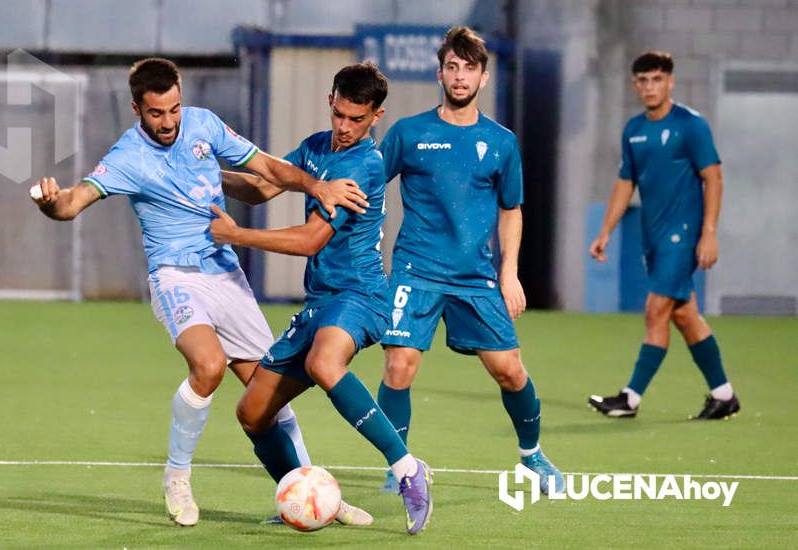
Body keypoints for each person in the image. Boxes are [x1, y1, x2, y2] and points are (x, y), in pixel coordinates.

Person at [29, 57, 373, 527]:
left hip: (225, 272)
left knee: (267, 396)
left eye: (174, 109)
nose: (169, 122)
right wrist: (52, 204)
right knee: (208, 366)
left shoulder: (203, 125)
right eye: (156, 113)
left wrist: (317, 185)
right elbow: (72, 204)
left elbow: (267, 168)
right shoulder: (127, 158)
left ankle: (310, 493)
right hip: (175, 275)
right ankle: (177, 477)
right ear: (136, 108)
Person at [210, 62, 434, 535]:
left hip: (361, 295)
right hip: (320, 301)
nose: (345, 127)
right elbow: (261, 186)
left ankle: (407, 469)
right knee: (251, 413)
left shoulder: (364, 166)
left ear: (377, 115)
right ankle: (305, 496)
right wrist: (205, 171)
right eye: (341, 115)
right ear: (331, 101)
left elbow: (312, 239)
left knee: (324, 364)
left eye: (358, 119)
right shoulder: (315, 147)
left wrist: (236, 236)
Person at [374, 26, 563, 495]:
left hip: (475, 277)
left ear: (483, 77)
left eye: (469, 69)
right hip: (416, 270)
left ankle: (532, 456)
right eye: (452, 67)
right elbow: (370, 184)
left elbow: (511, 209)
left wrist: (509, 272)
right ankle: (399, 467)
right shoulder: (409, 133)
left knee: (510, 369)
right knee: (399, 366)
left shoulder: (501, 142)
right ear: (440, 73)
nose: (460, 77)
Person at [587, 51, 739, 420]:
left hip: (683, 235)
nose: (649, 87)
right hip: (652, 236)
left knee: (656, 310)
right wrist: (605, 229)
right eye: (643, 80)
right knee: (684, 315)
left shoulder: (691, 125)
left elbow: (714, 177)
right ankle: (724, 395)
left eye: (657, 79)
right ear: (635, 85)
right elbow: (626, 182)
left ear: (670, 82)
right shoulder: (634, 130)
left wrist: (709, 233)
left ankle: (630, 398)